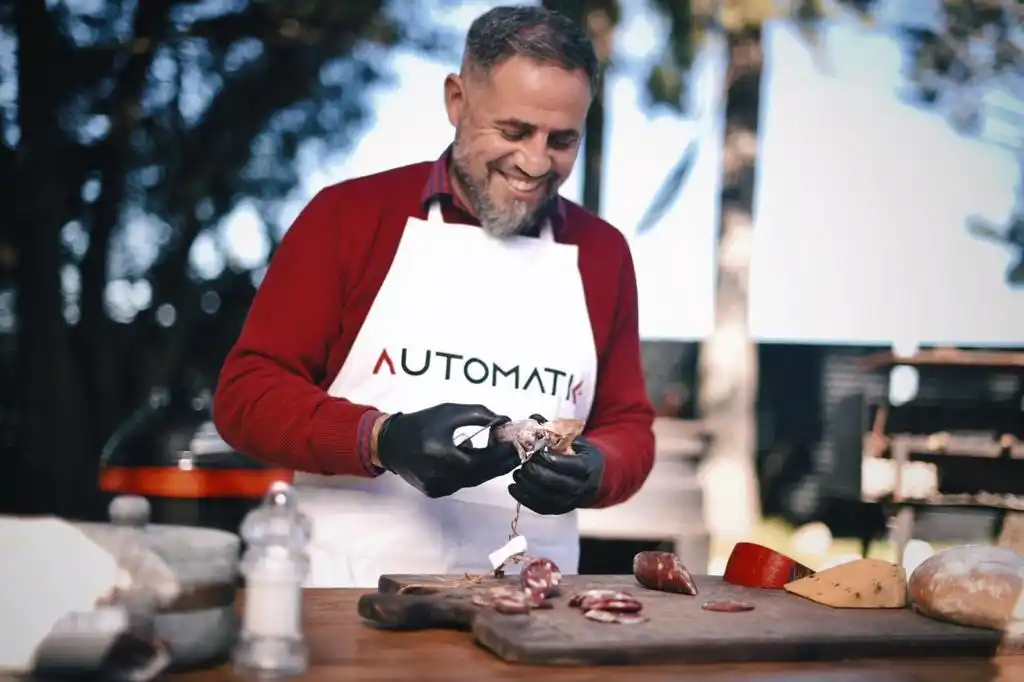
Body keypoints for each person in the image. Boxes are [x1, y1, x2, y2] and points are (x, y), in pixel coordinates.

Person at [212, 5, 655, 588]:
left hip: (532, 612)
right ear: (456, 100)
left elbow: (628, 426)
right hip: (347, 598)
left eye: (562, 140)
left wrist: (597, 469)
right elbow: (246, 395)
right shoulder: (349, 217)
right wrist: (381, 438)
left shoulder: (603, 253)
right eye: (513, 131)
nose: (534, 162)